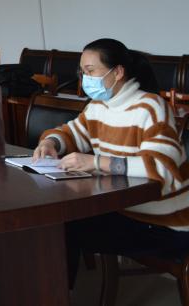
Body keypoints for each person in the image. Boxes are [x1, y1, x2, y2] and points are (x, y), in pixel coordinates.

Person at [32, 38, 189, 286]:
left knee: (63, 229)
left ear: (118, 72)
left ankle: (57, 296)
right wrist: (51, 142)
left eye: (91, 71)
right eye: (82, 72)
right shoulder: (98, 107)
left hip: (166, 223)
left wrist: (96, 162)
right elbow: (72, 132)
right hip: (125, 209)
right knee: (56, 225)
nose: (85, 79)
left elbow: (161, 167)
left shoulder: (151, 107)